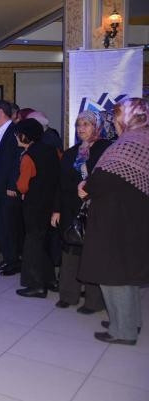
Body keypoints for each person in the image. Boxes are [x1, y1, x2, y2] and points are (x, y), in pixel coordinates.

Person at [78, 98, 149, 346]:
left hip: (115, 221)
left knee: (113, 276)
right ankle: (131, 322)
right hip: (134, 219)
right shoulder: (144, 139)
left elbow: (103, 181)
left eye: (117, 117)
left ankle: (123, 330)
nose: (114, 122)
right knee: (128, 275)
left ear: (127, 118)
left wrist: (85, 187)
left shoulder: (127, 144)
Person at [52, 110, 111, 313]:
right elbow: (60, 184)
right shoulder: (71, 152)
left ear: (97, 127)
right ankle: (68, 295)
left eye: (86, 124)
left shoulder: (106, 149)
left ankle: (93, 302)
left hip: (96, 210)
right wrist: (57, 210)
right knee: (70, 252)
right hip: (71, 210)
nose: (81, 128)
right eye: (79, 124)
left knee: (93, 255)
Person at [14, 119, 60, 298]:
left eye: (18, 134)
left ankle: (36, 285)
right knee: (44, 243)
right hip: (50, 203)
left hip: (34, 206)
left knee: (32, 245)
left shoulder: (28, 156)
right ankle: (50, 279)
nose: (16, 137)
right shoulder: (52, 150)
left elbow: (22, 186)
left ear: (25, 135)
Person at [0, 100, 22, 275]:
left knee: (9, 226)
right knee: (0, 226)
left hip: (7, 188)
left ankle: (13, 262)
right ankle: (7, 259)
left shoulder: (13, 131)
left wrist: (12, 185)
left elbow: (17, 161)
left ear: (1, 113)